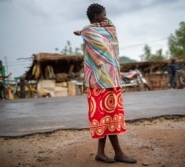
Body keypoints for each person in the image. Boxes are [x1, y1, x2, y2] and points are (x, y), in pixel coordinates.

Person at [74, 3, 137, 164]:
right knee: (105, 117)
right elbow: (85, 31)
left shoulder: (108, 29)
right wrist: (81, 31)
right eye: (103, 14)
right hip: (97, 82)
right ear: (96, 17)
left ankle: (101, 153)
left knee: (109, 117)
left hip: (111, 80)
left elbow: (109, 24)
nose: (106, 16)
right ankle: (118, 153)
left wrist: (81, 30)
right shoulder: (88, 32)